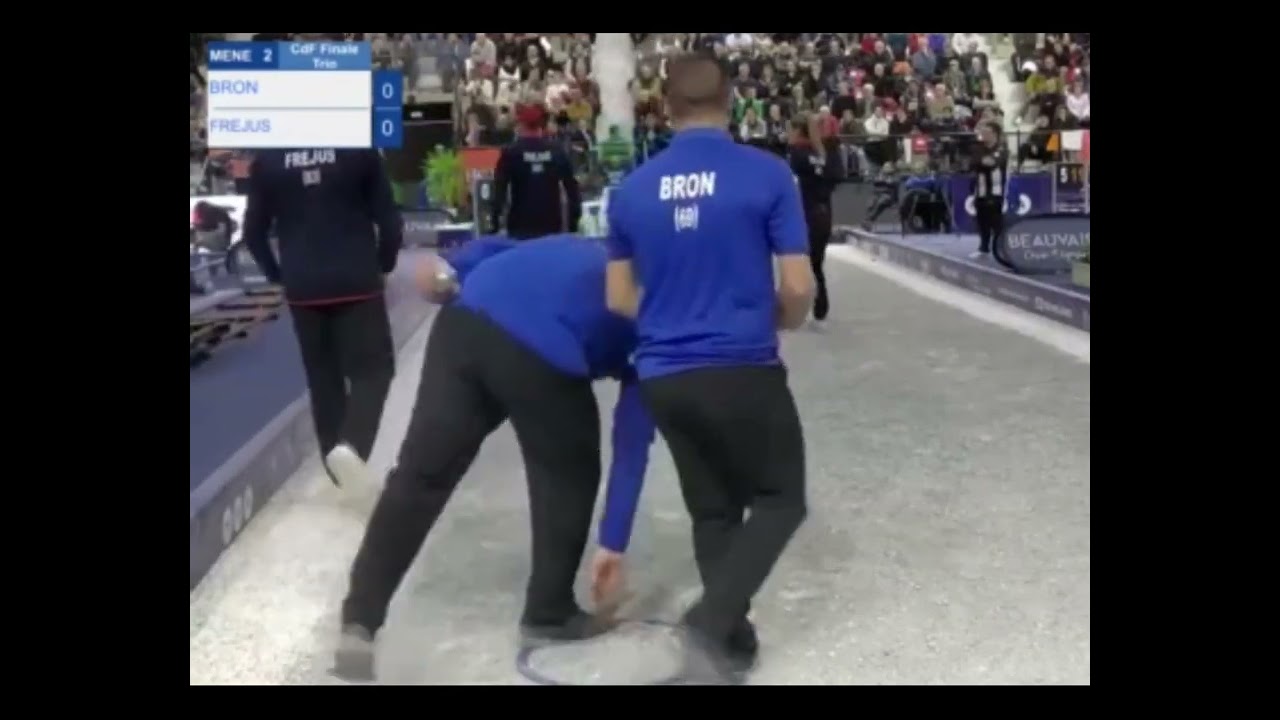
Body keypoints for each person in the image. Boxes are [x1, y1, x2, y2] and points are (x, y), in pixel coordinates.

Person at [334, 235, 656, 683]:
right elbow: (632, 440)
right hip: (541, 344)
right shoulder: (661, 317)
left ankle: (359, 621)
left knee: (421, 475)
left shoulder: (587, 247)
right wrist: (613, 542)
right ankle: (549, 611)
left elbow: (492, 249)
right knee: (568, 473)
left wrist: (448, 264)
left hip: (465, 319)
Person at [603, 52, 814, 684]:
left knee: (713, 510)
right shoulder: (767, 174)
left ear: (665, 108)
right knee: (781, 500)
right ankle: (708, 621)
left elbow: (618, 298)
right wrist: (776, 317)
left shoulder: (633, 189)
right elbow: (798, 286)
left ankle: (730, 644)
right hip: (742, 365)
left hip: (664, 376)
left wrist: (673, 319)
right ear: (731, 100)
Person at [241, 148, 401, 490]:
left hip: (303, 286)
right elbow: (390, 221)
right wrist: (384, 265)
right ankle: (352, 449)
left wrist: (277, 274)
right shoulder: (359, 150)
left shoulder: (268, 160)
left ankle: (338, 476)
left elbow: (252, 232)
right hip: (356, 279)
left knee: (323, 380)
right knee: (374, 371)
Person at [489, 103, 583, 238]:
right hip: (551, 225)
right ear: (541, 125)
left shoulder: (511, 153)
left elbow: (499, 191)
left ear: (521, 125)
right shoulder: (556, 151)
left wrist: (494, 223)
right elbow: (572, 189)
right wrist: (573, 223)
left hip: (521, 226)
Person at [787, 113, 845, 327]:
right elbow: (836, 175)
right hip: (821, 212)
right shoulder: (827, 152)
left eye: (791, 130)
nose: (788, 134)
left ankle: (807, 305)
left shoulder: (798, 153)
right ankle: (817, 306)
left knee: (807, 262)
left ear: (799, 131)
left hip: (807, 213)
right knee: (815, 263)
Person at [969, 121, 1009, 262]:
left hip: (996, 192)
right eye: (982, 132)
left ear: (995, 134)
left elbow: (994, 163)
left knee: (997, 223)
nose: (983, 135)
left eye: (986, 132)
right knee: (982, 221)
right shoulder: (978, 149)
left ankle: (1001, 249)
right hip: (980, 191)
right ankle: (983, 248)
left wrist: (983, 162)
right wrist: (983, 162)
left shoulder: (1002, 149)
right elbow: (973, 163)